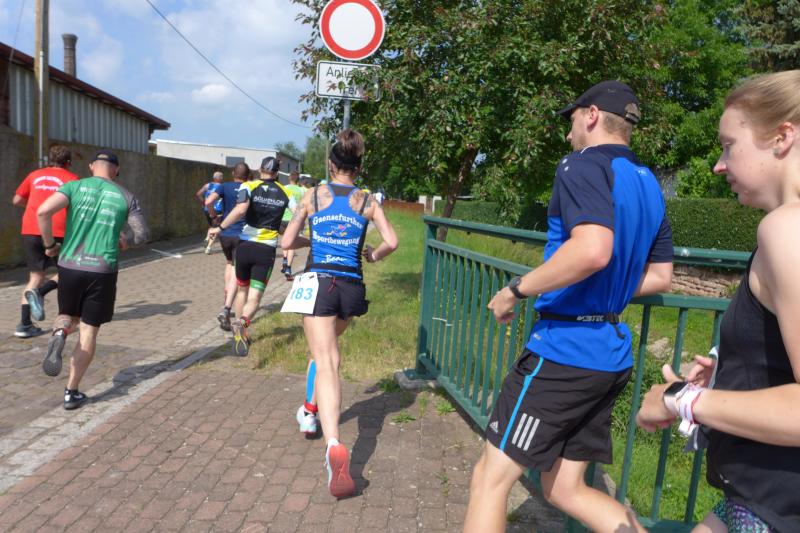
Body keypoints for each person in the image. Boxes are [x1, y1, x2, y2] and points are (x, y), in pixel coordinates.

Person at [463, 81, 673, 533]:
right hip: (609, 355)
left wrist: (515, 290)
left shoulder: (581, 164)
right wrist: (610, 287)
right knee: (564, 488)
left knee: (489, 480)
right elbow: (659, 276)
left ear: (592, 115)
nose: (568, 132)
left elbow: (593, 249)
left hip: (564, 352)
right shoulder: (649, 183)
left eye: (572, 119)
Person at [637, 70, 800, 533]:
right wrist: (734, 369)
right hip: (757, 499)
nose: (718, 165)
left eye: (729, 146)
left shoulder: (786, 230)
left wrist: (681, 400)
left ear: (782, 137)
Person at [281, 128, 399, 498]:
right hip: (351, 288)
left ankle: (332, 442)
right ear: (358, 167)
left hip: (319, 284)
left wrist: (310, 239)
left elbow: (286, 242)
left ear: (331, 164)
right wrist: (373, 255)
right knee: (326, 351)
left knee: (327, 360)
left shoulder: (312, 195)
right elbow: (392, 241)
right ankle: (309, 409)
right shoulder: (368, 201)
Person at [37, 150, 149, 410]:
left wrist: (50, 246)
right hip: (102, 270)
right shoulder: (126, 196)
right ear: (116, 170)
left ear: (91, 167)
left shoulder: (73, 187)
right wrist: (125, 240)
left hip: (69, 266)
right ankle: (71, 392)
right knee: (88, 330)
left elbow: (43, 212)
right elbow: (142, 234)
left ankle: (60, 333)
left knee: (67, 314)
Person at [207, 156, 296, 356]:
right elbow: (298, 214)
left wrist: (220, 228)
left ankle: (240, 334)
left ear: (260, 169)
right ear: (276, 173)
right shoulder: (286, 192)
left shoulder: (248, 186)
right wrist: (293, 234)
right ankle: (243, 322)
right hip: (266, 250)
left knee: (242, 291)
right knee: (254, 298)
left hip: (245, 246)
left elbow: (240, 210)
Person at [12, 144, 79, 338]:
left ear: (50, 160)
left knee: (35, 276)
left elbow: (17, 200)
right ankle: (41, 293)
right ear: (69, 162)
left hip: (31, 229)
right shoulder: (73, 179)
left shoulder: (34, 175)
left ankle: (24, 325)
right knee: (69, 272)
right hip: (57, 230)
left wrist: (37, 206)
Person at [205, 162, 250, 331]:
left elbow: (208, 201)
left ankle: (227, 296)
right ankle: (227, 306)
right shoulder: (249, 187)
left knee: (230, 263)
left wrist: (214, 217)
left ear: (233, 173)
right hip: (241, 234)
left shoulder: (224, 186)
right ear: (248, 176)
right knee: (238, 271)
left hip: (225, 233)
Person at [280, 170, 306, 280]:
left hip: (283, 218)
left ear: (289, 178)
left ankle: (285, 259)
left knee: (284, 240)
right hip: (294, 220)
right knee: (292, 243)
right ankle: (288, 268)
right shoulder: (301, 190)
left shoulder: (284, 188)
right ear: (298, 180)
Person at [196, 171, 224, 251]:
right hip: (217, 210)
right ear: (219, 178)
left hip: (207, 209)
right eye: (222, 177)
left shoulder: (207, 185)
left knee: (211, 226)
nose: (222, 178)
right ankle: (208, 246)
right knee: (216, 228)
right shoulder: (222, 187)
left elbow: (198, 194)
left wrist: (204, 202)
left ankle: (207, 239)